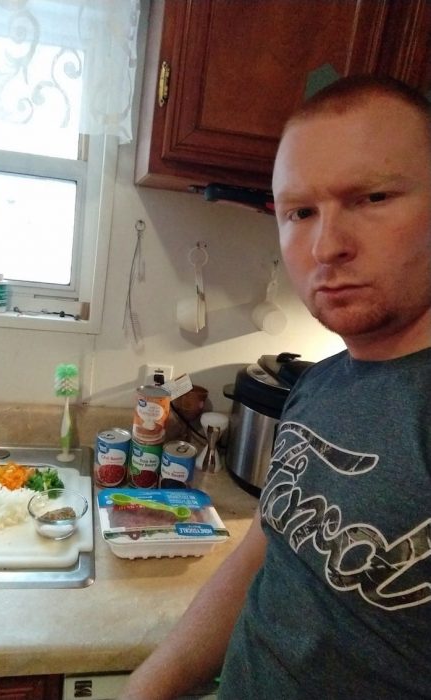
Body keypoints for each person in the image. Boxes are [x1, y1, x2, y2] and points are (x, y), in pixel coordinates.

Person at [120, 75, 431, 699]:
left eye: (372, 197)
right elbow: (265, 552)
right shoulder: (322, 385)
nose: (326, 246)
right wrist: (149, 688)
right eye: (300, 212)